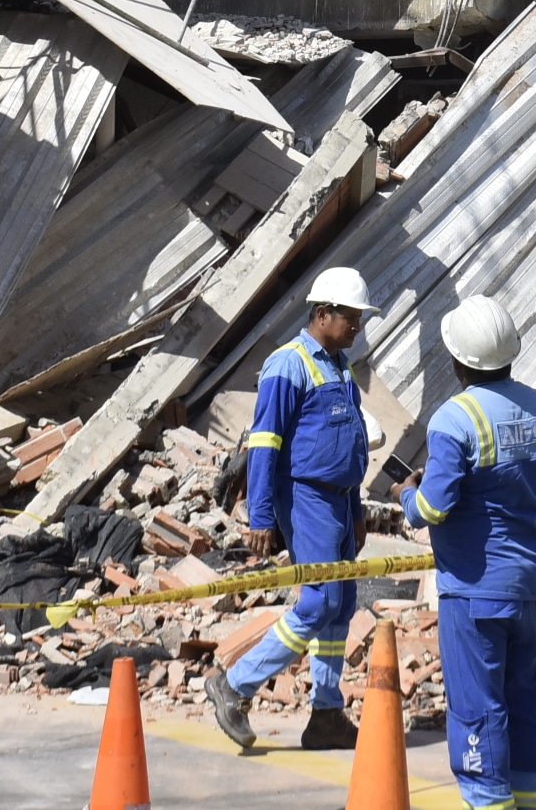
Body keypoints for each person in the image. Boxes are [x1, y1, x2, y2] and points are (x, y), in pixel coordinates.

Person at [399, 295, 536, 810]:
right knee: (522, 700)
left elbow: (432, 508)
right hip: (529, 586)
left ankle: (488, 803)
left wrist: (405, 495)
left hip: (473, 592)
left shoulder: (456, 419)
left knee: (477, 708)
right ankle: (533, 801)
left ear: (457, 362)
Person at [205, 267, 381, 751]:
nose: (357, 326)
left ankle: (326, 713)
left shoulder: (339, 365)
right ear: (322, 313)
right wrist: (260, 515)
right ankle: (234, 685)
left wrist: (359, 508)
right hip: (306, 498)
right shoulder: (289, 364)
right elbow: (264, 445)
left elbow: (349, 443)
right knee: (318, 601)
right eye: (350, 317)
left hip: (340, 501)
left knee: (341, 604)